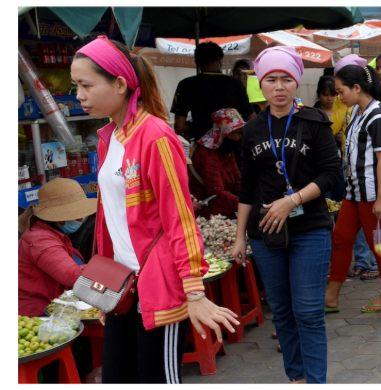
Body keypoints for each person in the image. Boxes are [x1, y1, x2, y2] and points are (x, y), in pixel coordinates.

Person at [71, 36, 239, 383]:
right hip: (122, 288)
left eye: (86, 85)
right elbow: (109, 220)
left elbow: (179, 218)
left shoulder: (155, 135)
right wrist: (103, 288)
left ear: (118, 84)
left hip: (158, 289)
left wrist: (194, 291)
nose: (79, 95)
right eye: (76, 86)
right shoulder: (109, 138)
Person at [230, 46, 340, 383]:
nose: (279, 87)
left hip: (310, 228)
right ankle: (296, 378)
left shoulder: (315, 122)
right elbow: (247, 188)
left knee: (308, 312)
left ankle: (316, 380)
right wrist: (239, 237)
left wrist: (292, 201)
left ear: (296, 83)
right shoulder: (251, 130)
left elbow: (331, 174)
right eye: (272, 80)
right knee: (282, 312)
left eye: (287, 79)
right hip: (266, 235)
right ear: (261, 85)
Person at [325, 62, 381, 314]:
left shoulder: (377, 113)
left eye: (340, 91)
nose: (339, 96)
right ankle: (331, 296)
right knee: (341, 239)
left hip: (371, 195)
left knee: (379, 243)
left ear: (356, 88)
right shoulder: (358, 111)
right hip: (354, 192)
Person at [18, 178, 96, 317]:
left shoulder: (50, 233)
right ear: (60, 219)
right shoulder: (40, 240)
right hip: (36, 315)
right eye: (78, 217)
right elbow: (73, 276)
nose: (82, 219)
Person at [171, 42, 253, 141]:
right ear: (220, 60)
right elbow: (252, 118)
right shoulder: (235, 84)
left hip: (204, 149)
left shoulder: (186, 85)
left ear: (197, 62)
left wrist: (198, 128)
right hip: (233, 149)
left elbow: (179, 126)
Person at [188, 108, 245, 218]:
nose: (240, 137)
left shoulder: (226, 150)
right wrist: (245, 205)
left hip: (224, 207)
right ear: (225, 133)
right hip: (208, 213)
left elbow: (237, 180)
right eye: (237, 133)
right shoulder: (207, 154)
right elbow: (217, 192)